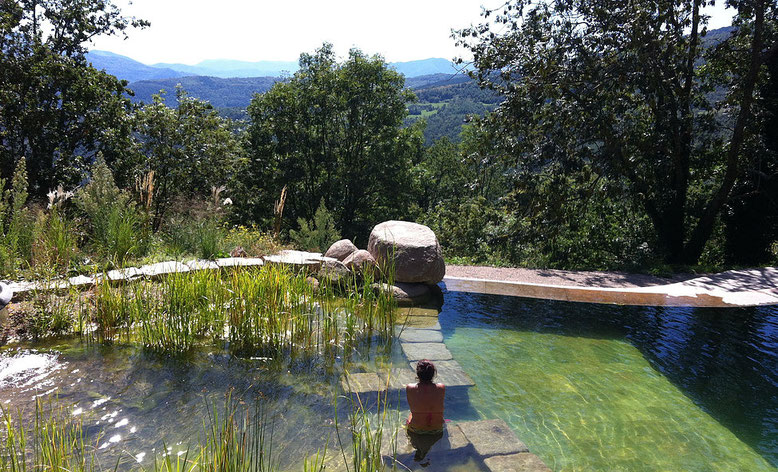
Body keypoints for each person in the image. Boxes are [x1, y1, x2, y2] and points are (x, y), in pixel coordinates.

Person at [405, 359, 445, 463]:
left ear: (418, 374)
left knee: (411, 413)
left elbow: (412, 407)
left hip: (416, 429)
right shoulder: (441, 387)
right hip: (437, 429)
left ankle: (417, 445)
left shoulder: (410, 388)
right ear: (433, 374)